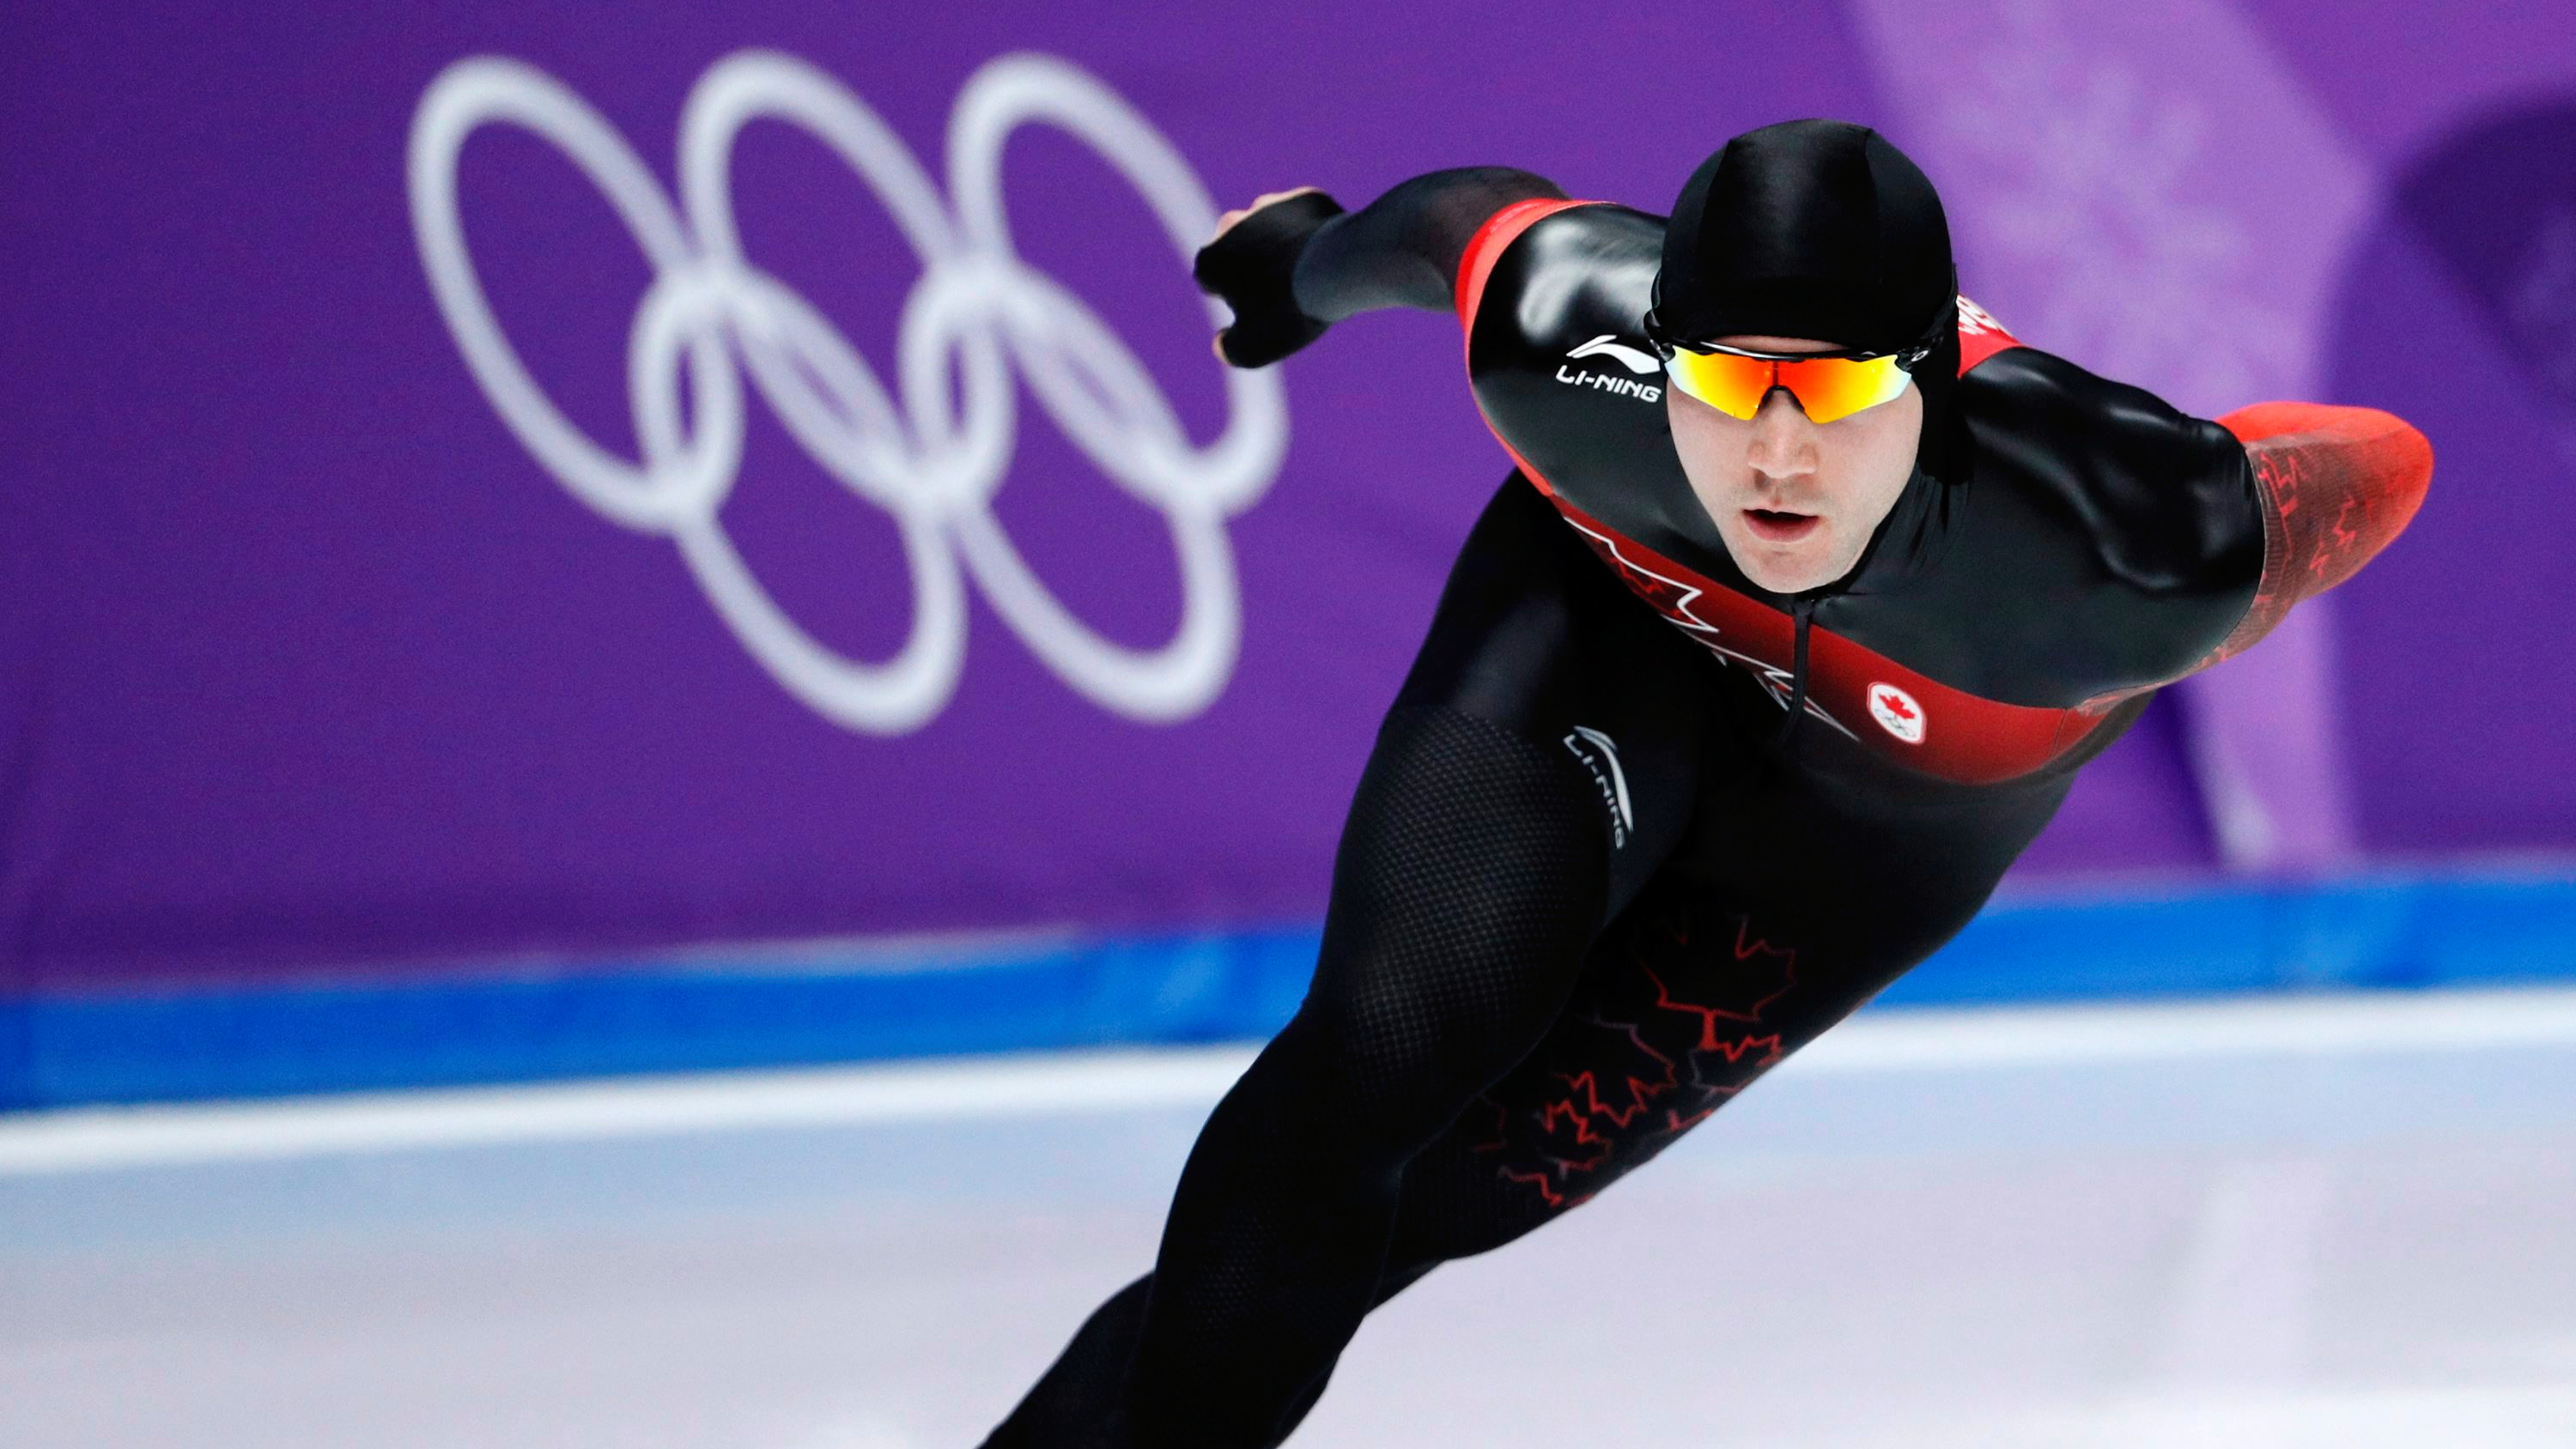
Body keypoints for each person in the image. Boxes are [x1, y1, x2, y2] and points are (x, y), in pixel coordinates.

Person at [979, 119, 2431, 1449]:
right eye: (1730, 383)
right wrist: (1303, 266)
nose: (1777, 455)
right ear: (1661, 350)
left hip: (1851, 852)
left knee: (1418, 1207)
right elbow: (1453, 228)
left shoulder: (2133, 549)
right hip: (1610, 640)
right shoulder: (1562, 329)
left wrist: (2233, 486)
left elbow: (2384, 464)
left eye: (1842, 390)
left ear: (1932, 379)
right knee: (1374, 1064)